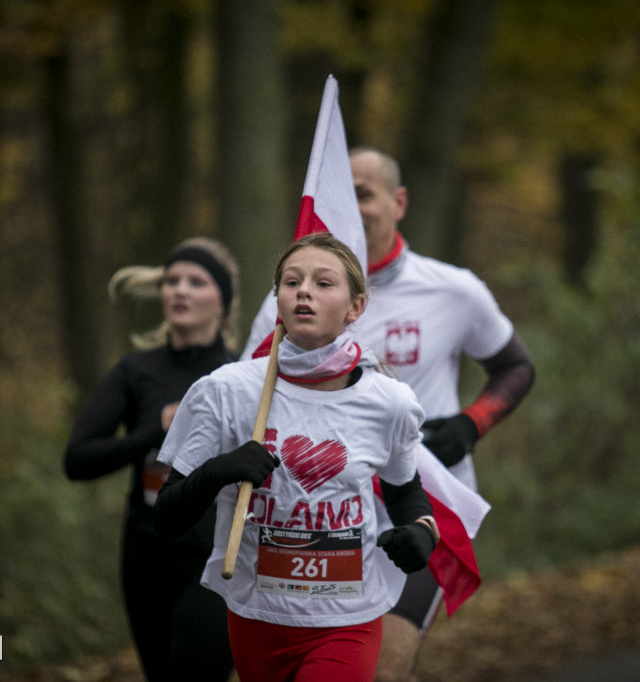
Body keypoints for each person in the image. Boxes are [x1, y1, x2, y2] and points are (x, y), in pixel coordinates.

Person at [241, 147, 536, 681]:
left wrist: (472, 423)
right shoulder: (290, 298)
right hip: (321, 517)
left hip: (417, 506)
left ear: (398, 202)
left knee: (384, 669)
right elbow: (246, 395)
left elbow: (516, 368)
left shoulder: (453, 289)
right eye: (343, 193)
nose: (352, 208)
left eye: (365, 194)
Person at [151, 233, 439, 682]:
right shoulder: (226, 391)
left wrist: (422, 532)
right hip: (256, 613)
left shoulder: (390, 402)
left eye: (323, 283)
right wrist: (217, 471)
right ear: (278, 299)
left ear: (355, 307)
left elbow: (407, 495)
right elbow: (166, 516)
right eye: (291, 281)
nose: (304, 290)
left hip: (349, 617)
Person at [63, 237, 240, 681]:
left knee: (195, 672)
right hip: (148, 553)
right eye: (172, 280)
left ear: (223, 301)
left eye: (196, 282)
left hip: (219, 556)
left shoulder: (243, 376)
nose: (179, 290)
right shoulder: (135, 372)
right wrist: (154, 433)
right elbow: (78, 460)